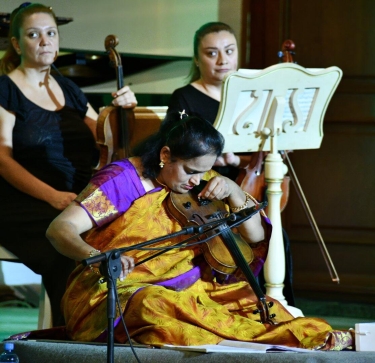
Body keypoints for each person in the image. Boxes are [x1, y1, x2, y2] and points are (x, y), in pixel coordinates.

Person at [46, 116, 353, 350]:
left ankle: (296, 338)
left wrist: (233, 190)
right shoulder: (122, 180)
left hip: (192, 287)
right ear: (165, 155)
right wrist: (98, 256)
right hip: (117, 290)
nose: (197, 181)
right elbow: (60, 229)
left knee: (252, 302)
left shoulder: (202, 176)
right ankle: (274, 342)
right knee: (153, 305)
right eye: (191, 171)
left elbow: (256, 236)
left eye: (204, 171)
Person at [0, 3, 137, 326]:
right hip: (24, 202)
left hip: (75, 196)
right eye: (34, 34)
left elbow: (108, 139)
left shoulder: (70, 90)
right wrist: (53, 196)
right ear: (18, 44)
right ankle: (71, 339)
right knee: (69, 251)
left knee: (130, 233)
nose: (45, 41)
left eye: (51, 33)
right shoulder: (5, 89)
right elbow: (2, 161)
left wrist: (124, 112)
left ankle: (124, 327)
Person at [165, 22, 253, 180]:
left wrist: (235, 160)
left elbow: (260, 157)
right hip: (202, 186)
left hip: (251, 182)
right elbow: (176, 156)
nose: (223, 60)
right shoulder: (184, 98)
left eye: (229, 51)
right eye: (212, 53)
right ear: (197, 59)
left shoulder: (253, 95)